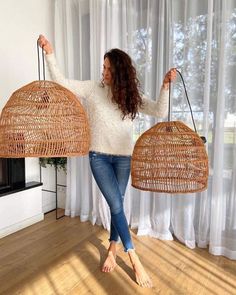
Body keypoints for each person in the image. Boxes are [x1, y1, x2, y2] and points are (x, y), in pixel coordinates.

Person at [38, 34, 176, 288]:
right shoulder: (93, 89)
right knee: (115, 204)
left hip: (123, 158)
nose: (103, 72)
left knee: (117, 206)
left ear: (120, 72)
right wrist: (50, 53)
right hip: (98, 157)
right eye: (103, 67)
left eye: (108, 69)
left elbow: (159, 111)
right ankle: (134, 258)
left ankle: (112, 248)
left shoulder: (131, 96)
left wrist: (165, 86)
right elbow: (62, 82)